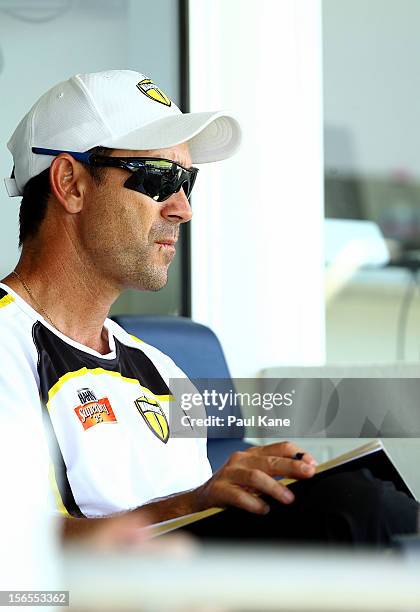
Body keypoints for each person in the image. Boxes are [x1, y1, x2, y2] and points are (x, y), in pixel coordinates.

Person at [1, 70, 418, 545]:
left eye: (188, 182)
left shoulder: (162, 371)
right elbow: (14, 554)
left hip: (195, 591)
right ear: (71, 184)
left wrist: (219, 502)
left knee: (372, 504)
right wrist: (191, 504)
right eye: (158, 178)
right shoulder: (7, 347)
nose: (182, 209)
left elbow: (191, 537)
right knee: (358, 510)